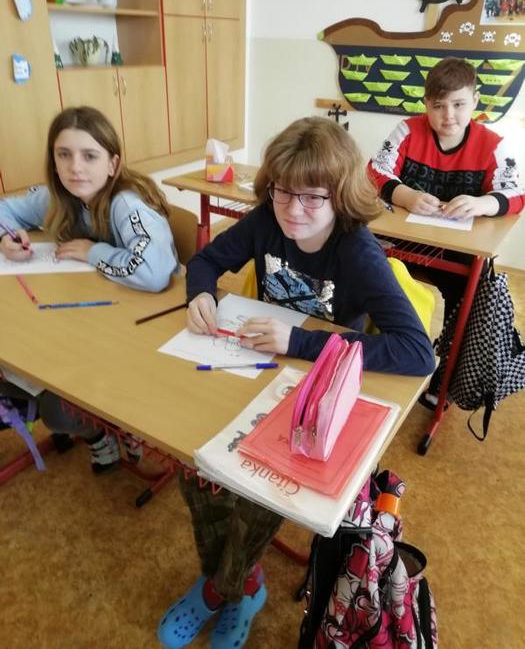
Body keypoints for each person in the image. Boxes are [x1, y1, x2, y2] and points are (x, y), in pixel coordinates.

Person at [157, 116, 435, 649]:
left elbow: (416, 351)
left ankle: (227, 589)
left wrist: (299, 342)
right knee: (196, 465)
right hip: (255, 368)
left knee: (256, 490)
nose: (292, 209)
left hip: (315, 389)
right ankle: (238, 580)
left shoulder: (356, 251)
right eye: (282, 192)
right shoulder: (266, 220)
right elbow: (207, 260)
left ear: (340, 197)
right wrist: (201, 293)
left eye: (312, 197)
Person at [0, 106, 180, 471]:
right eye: (64, 155)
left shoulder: (125, 203)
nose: (75, 167)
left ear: (113, 163)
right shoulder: (58, 197)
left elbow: (155, 273)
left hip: (144, 326)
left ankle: (117, 423)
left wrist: (92, 251)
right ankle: (101, 433)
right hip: (88, 317)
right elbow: (6, 209)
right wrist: (7, 236)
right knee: (43, 377)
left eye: (89, 156)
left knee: (58, 407)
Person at [368, 56, 524, 404]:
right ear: (426, 104)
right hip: (402, 240)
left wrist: (484, 203)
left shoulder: (493, 144)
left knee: (470, 296)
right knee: (366, 269)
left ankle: (446, 375)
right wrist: (405, 194)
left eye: (458, 104)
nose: (448, 115)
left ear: (475, 101)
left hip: (456, 251)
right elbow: (376, 170)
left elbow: (516, 194)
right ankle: (376, 352)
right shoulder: (408, 130)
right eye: (438, 106)